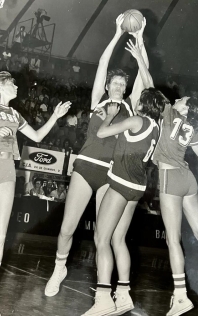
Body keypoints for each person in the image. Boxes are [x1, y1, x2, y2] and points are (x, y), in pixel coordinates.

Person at [44, 14, 150, 298]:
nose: (117, 86)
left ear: (125, 90)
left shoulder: (130, 107)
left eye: (121, 85)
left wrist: (139, 40)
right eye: (114, 83)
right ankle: (59, 267)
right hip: (86, 167)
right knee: (67, 229)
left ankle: (108, 290)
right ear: (106, 86)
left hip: (112, 175)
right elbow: (102, 64)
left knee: (102, 236)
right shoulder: (97, 101)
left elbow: (144, 76)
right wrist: (116, 33)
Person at [81, 40, 168, 316]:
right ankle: (125, 294)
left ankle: (104, 298)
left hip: (119, 185)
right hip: (137, 188)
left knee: (102, 239)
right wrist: (142, 57)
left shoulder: (135, 120)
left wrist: (110, 115)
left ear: (143, 104)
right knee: (119, 240)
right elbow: (151, 86)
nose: (137, 97)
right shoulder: (156, 126)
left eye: (141, 98)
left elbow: (102, 133)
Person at [0, 71, 71, 316]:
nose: (17, 86)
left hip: (8, 171)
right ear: (0, 85)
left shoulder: (15, 114)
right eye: (12, 83)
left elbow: (38, 136)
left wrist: (55, 116)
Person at [152, 95, 198, 316]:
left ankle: (180, 296)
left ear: (185, 108)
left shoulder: (169, 111)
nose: (177, 98)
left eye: (181, 99)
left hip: (170, 177)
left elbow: (149, 82)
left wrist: (141, 59)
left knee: (172, 239)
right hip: (189, 180)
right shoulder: (191, 127)